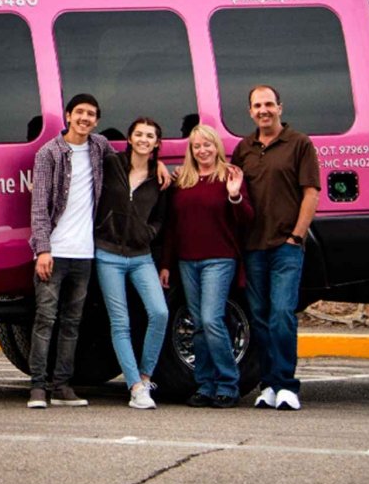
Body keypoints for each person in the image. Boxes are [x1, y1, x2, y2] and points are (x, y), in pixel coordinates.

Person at [232, 85, 320, 411]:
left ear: (280, 107)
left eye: (269, 104)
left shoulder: (299, 144)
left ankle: (287, 385)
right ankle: (267, 385)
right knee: (259, 317)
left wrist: (296, 236)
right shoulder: (244, 149)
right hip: (253, 247)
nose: (263, 110)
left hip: (286, 246)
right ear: (250, 111)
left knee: (282, 313)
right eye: (257, 105)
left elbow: (311, 193)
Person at [26, 93, 110, 408]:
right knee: (46, 319)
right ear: (68, 115)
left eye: (91, 114)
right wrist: (43, 250)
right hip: (55, 252)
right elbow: (39, 207)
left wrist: (159, 170)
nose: (84, 118)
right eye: (79, 113)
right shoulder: (49, 153)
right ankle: (37, 388)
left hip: (85, 254)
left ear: (96, 120)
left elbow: (129, 165)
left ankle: (62, 386)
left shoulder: (99, 148)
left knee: (73, 322)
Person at [160, 124, 253, 408]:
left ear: (217, 146)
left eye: (207, 145)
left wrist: (234, 195)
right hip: (188, 261)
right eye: (197, 146)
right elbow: (173, 228)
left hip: (220, 259)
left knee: (212, 319)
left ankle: (227, 384)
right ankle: (205, 385)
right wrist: (166, 264)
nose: (203, 150)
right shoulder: (183, 180)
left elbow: (247, 219)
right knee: (198, 324)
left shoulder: (229, 175)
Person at [93, 117, 170, 409]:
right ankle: (135, 387)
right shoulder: (111, 164)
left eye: (150, 135)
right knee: (120, 321)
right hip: (108, 254)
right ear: (129, 138)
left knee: (159, 313)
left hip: (141, 257)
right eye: (138, 134)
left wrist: (147, 233)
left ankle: (146, 375)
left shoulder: (160, 178)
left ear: (157, 143)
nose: (143, 139)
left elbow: (161, 219)